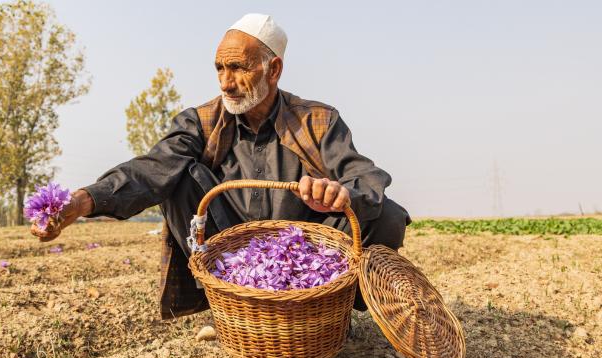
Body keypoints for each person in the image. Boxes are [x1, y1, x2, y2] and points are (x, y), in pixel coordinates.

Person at [31, 13, 411, 319]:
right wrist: (83, 201)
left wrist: (341, 192)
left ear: (273, 69)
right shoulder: (201, 121)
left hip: (300, 249)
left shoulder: (316, 120)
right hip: (229, 249)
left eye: (238, 68)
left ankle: (326, 311)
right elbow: (152, 168)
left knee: (387, 215)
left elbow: (365, 176)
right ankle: (227, 308)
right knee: (176, 175)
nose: (226, 83)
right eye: (219, 68)